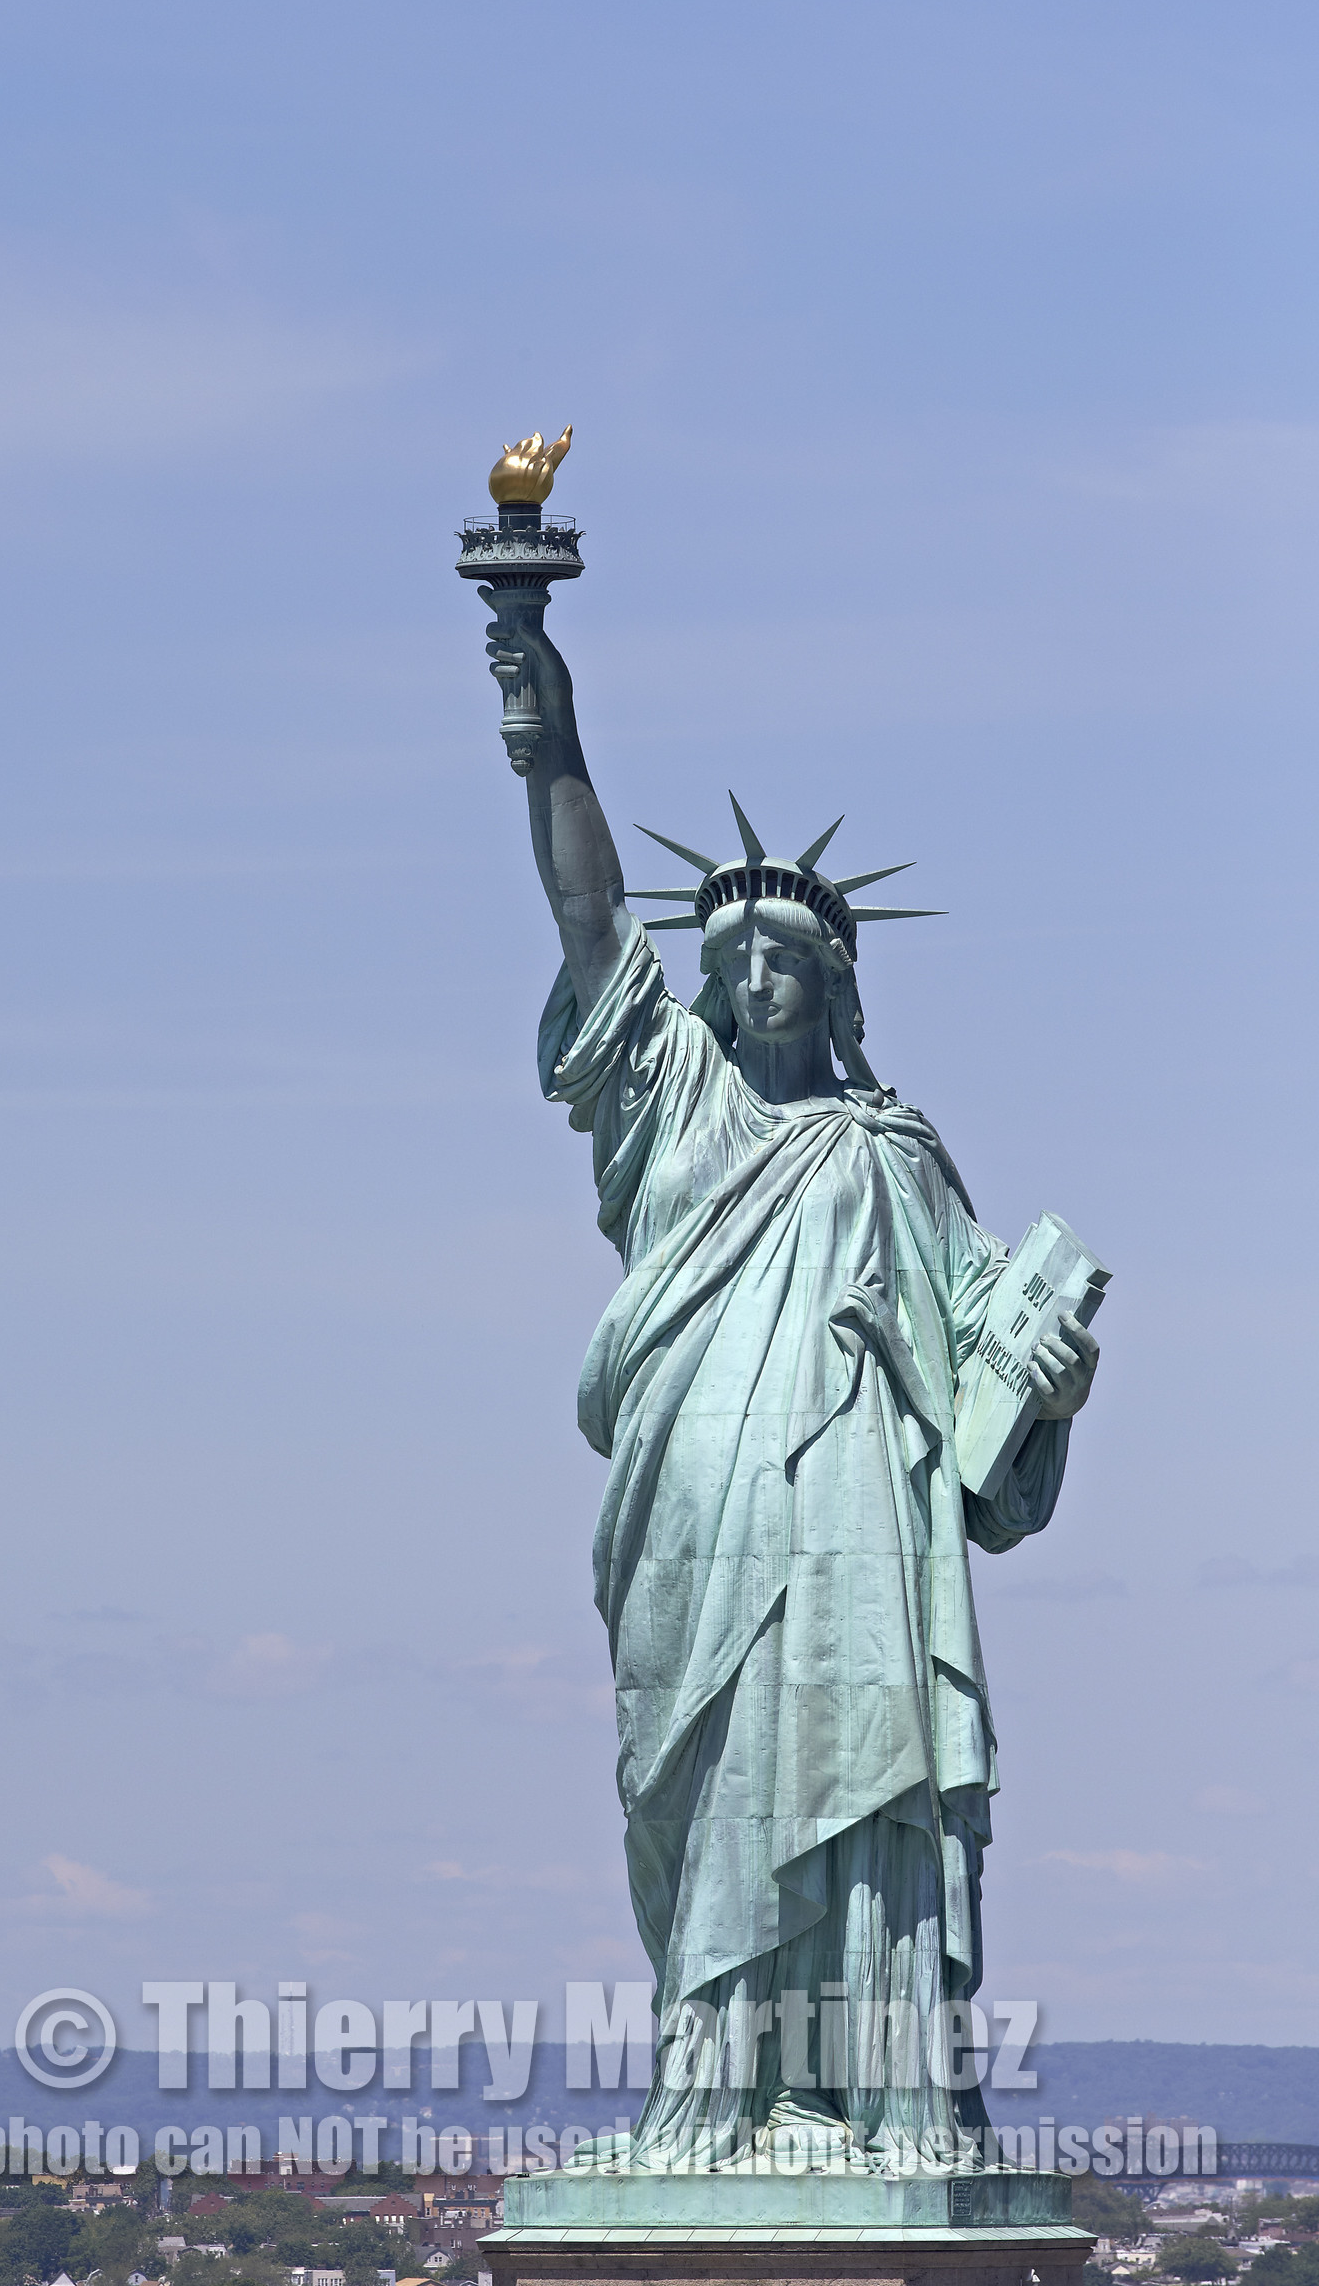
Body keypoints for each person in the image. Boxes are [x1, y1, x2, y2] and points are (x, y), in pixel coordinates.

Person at [484, 596, 1100, 2174]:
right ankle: (718, 2094)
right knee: (701, 1777)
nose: (756, 978)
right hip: (691, 1494)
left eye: (788, 960)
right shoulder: (670, 1097)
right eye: (734, 955)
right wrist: (540, 701)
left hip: (854, 1515)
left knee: (855, 1767)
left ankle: (862, 2094)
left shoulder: (893, 1151)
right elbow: (585, 907)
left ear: (834, 987)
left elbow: (984, 1370)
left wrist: (1050, 1378)